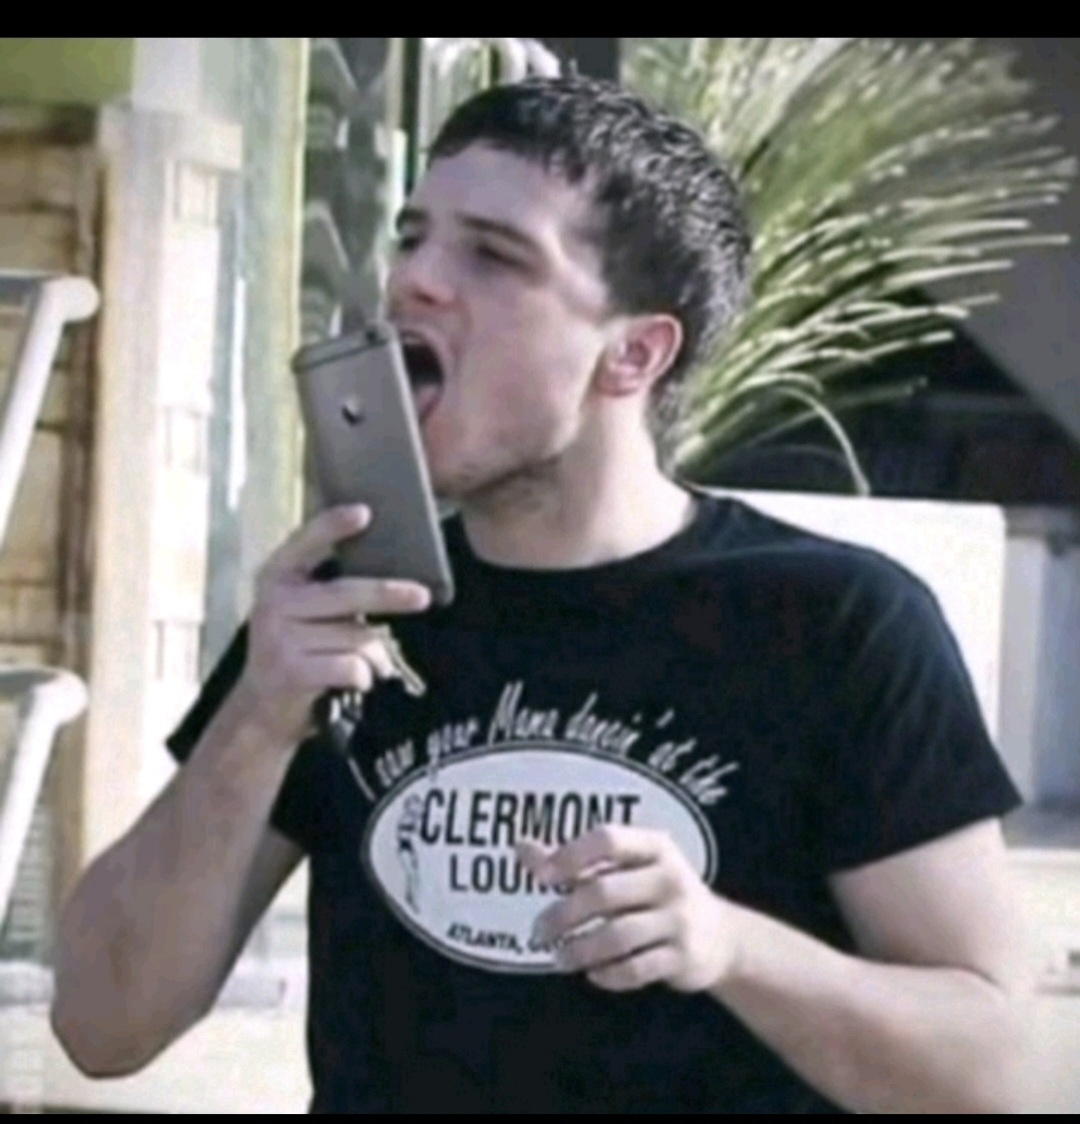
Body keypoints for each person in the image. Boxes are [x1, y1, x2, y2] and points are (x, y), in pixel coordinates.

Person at [50, 76, 1031, 1114]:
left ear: (634, 352)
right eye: (413, 239)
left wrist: (730, 945)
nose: (414, 280)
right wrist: (254, 720)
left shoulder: (833, 622)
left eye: (494, 254)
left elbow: (994, 1074)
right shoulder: (343, 610)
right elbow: (101, 1025)